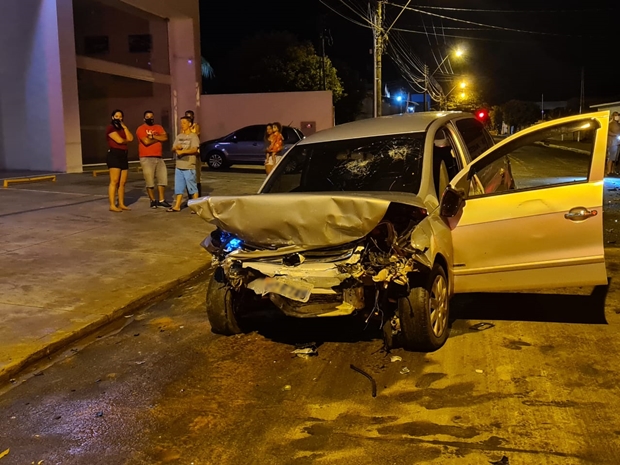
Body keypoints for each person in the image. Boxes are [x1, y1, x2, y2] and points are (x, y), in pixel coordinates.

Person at [136, 110, 171, 208]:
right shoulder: (141, 128)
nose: (150, 118)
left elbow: (165, 137)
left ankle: (161, 200)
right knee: (150, 181)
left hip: (159, 157)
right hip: (146, 158)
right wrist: (157, 138)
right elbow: (146, 141)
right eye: (147, 117)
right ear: (144, 118)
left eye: (151, 116)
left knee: (162, 179)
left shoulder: (158, 127)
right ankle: (152, 200)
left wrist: (153, 137)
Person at [168, 116, 200, 212]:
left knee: (192, 187)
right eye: (181, 123)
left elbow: (195, 149)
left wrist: (183, 152)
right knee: (179, 187)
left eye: (184, 123)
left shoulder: (193, 136)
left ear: (190, 124)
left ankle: (195, 206)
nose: (182, 125)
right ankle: (177, 206)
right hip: (179, 165)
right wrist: (176, 148)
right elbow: (173, 149)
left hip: (189, 165)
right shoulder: (179, 136)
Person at [106, 109, 133, 212]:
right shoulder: (110, 128)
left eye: (120, 116)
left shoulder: (122, 128)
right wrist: (125, 141)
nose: (119, 118)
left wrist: (125, 127)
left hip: (123, 155)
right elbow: (119, 140)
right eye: (116, 116)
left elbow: (130, 138)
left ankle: (121, 203)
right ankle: (112, 205)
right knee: (114, 181)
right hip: (114, 155)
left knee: (123, 182)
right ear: (113, 117)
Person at [184, 110, 203, 196]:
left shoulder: (196, 126)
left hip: (195, 154)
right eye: (187, 117)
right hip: (187, 154)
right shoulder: (183, 127)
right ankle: (190, 197)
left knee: (196, 177)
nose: (189, 119)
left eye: (190, 117)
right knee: (188, 177)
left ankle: (198, 197)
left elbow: (195, 135)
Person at [607, 112, 620, 176]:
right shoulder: (610, 123)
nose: (617, 116)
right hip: (612, 143)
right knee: (611, 158)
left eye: (618, 115)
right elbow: (607, 132)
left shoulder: (618, 124)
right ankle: (609, 171)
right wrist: (615, 135)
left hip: (617, 143)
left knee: (615, 158)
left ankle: (612, 171)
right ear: (613, 116)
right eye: (616, 115)